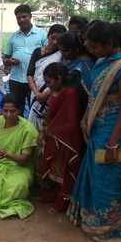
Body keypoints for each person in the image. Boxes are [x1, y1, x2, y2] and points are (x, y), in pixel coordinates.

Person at [67, 21, 121, 242]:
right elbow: (96, 95)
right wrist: (86, 119)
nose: (92, 52)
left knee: (110, 176)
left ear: (109, 43)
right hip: (97, 127)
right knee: (96, 174)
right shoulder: (104, 61)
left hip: (116, 131)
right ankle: (90, 218)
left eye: (95, 47)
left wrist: (114, 140)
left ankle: (108, 227)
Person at [38, 63, 83, 212]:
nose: (47, 85)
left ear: (59, 78)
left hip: (65, 140)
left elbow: (71, 123)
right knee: (54, 170)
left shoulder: (70, 93)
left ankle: (62, 203)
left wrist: (51, 130)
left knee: (64, 173)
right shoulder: (56, 91)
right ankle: (53, 196)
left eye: (49, 82)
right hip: (55, 137)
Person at [5, 4, 48, 114]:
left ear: (30, 16)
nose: (21, 20)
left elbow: (48, 55)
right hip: (16, 80)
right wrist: (9, 61)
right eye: (18, 18)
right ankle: (18, 130)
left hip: (35, 80)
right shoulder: (13, 37)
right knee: (16, 109)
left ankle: (32, 130)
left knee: (35, 107)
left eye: (24, 17)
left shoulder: (42, 34)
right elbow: (6, 58)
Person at [27, 24, 67, 129]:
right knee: (32, 126)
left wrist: (44, 95)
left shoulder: (62, 55)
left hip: (50, 95)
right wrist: (36, 93)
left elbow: (60, 78)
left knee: (45, 125)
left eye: (59, 39)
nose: (55, 42)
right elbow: (30, 74)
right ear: (48, 36)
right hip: (35, 93)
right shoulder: (38, 51)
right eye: (52, 38)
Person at [58, 31, 95, 116]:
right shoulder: (65, 60)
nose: (62, 54)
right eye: (61, 51)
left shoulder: (85, 65)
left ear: (76, 49)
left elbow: (89, 93)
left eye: (65, 51)